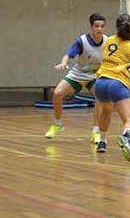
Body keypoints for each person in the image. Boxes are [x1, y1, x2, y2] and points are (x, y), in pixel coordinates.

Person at [94, 13, 130, 161]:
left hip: (100, 83)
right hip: (117, 84)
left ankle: (102, 141)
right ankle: (126, 137)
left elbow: (121, 51)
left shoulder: (109, 40)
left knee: (106, 112)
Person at [45, 13, 107, 144]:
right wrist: (63, 63)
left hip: (95, 75)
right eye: (96, 26)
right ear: (91, 27)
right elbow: (68, 55)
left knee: (100, 98)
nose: (99, 29)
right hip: (78, 73)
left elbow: (116, 58)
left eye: (102, 26)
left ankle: (96, 130)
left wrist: (126, 67)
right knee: (57, 93)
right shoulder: (82, 41)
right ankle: (57, 124)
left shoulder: (108, 42)